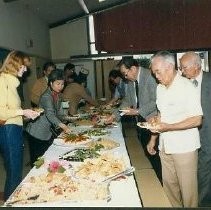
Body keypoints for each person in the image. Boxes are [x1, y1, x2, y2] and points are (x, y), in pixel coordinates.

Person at [147, 51, 203, 207]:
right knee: (170, 190)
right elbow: (161, 114)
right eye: (154, 73)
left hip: (184, 148)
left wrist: (169, 127)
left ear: (170, 67)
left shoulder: (187, 87)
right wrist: (153, 138)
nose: (156, 76)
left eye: (157, 72)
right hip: (165, 146)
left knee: (188, 193)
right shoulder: (160, 88)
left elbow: (197, 119)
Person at [0, 51, 40, 200]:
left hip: (13, 129)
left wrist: (26, 114)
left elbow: (12, 112)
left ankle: (13, 200)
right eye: (23, 66)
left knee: (15, 170)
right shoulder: (2, 80)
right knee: (14, 172)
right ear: (15, 65)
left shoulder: (11, 82)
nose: (25, 69)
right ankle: (10, 202)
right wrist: (23, 112)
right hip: (7, 130)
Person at [180, 51, 211, 207]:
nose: (182, 71)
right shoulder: (182, 83)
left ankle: (199, 202)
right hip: (189, 134)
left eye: (184, 68)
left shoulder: (210, 80)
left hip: (208, 133)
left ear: (196, 67)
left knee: (204, 168)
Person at [26, 69, 71, 167]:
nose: (60, 87)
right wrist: (63, 126)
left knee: (46, 158)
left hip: (46, 132)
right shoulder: (47, 96)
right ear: (51, 83)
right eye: (58, 84)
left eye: (62, 84)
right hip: (36, 132)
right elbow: (50, 114)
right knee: (37, 162)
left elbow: (58, 114)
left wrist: (65, 111)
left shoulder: (57, 95)